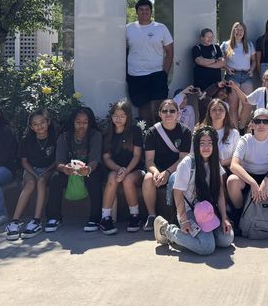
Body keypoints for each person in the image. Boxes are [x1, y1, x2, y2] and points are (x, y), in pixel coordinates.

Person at [154, 126, 234, 255]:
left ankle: (202, 236)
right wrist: (184, 220)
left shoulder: (215, 163)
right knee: (207, 247)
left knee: (226, 240)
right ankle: (166, 230)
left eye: (210, 143)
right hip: (189, 210)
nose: (206, 147)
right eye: (202, 144)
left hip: (207, 210)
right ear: (196, 145)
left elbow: (219, 192)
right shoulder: (188, 163)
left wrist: (224, 217)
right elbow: (178, 192)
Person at [227, 108, 268, 237]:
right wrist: (253, 183)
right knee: (232, 181)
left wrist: (266, 181)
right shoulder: (245, 140)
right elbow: (234, 165)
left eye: (265, 121)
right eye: (257, 121)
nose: (261, 124)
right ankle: (239, 216)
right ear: (252, 124)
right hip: (249, 176)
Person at [45, 107, 104, 233]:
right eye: (78, 122)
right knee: (55, 179)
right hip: (69, 171)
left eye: (85, 122)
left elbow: (95, 159)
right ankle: (54, 217)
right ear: (72, 122)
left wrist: (88, 169)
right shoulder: (64, 137)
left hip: (89, 170)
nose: (81, 125)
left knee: (94, 179)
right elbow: (59, 162)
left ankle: (95, 218)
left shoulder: (95, 135)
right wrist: (64, 168)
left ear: (90, 123)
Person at [5, 109, 57, 240]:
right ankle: (14, 221)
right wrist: (34, 172)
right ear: (31, 127)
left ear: (48, 122)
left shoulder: (55, 138)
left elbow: (57, 161)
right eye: (35, 124)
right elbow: (24, 162)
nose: (39, 126)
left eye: (42, 122)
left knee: (41, 182)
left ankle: (36, 220)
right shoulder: (26, 140)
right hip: (31, 169)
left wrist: (44, 172)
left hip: (48, 169)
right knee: (30, 183)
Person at [141, 99, 192, 232]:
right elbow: (149, 161)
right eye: (165, 111)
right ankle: (152, 216)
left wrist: (168, 172)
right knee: (147, 178)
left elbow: (183, 159)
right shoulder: (152, 132)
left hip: (176, 170)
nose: (168, 113)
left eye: (172, 111)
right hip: (158, 170)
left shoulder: (185, 132)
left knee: (175, 179)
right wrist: (156, 172)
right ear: (160, 114)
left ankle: (174, 217)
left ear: (178, 114)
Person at [99, 100, 145, 235]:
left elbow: (137, 156)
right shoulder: (107, 133)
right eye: (115, 115)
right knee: (112, 177)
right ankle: (105, 217)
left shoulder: (135, 131)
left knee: (128, 179)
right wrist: (119, 169)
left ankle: (134, 216)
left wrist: (126, 170)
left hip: (134, 170)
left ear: (128, 117)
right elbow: (106, 158)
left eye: (122, 116)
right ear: (111, 116)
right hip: (115, 169)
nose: (118, 119)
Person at [126, 0, 174, 122]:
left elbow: (169, 51)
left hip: (156, 74)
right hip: (135, 74)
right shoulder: (128, 29)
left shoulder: (160, 28)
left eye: (147, 9)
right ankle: (146, 134)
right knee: (143, 107)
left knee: (159, 107)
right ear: (136, 12)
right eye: (141, 9)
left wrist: (165, 73)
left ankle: (160, 134)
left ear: (151, 12)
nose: (144, 12)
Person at [229, 69, 268, 136]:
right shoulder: (260, 91)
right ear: (263, 81)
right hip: (258, 121)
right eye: (267, 79)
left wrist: (255, 123)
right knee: (249, 133)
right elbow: (246, 100)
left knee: (266, 129)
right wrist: (235, 87)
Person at [222, 21, 256, 129]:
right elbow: (220, 61)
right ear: (233, 30)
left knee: (248, 103)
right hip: (232, 76)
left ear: (244, 32)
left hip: (246, 75)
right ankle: (235, 131)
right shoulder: (225, 44)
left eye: (242, 29)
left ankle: (241, 127)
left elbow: (254, 61)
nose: (239, 31)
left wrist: (252, 69)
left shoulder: (249, 44)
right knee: (233, 105)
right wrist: (226, 68)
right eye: (237, 29)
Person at [200, 98, 241, 178]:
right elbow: (193, 154)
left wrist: (222, 163)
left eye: (221, 109)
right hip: (204, 168)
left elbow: (239, 156)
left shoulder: (233, 133)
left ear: (226, 113)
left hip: (226, 169)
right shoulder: (201, 132)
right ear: (209, 113)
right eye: (214, 110)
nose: (217, 112)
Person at [192, 28, 225, 93]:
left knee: (216, 102)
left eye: (211, 37)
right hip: (201, 84)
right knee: (204, 102)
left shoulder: (216, 48)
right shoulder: (197, 48)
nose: (210, 39)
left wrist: (206, 63)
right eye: (207, 37)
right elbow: (199, 61)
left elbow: (222, 63)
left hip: (216, 83)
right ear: (202, 37)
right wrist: (215, 60)